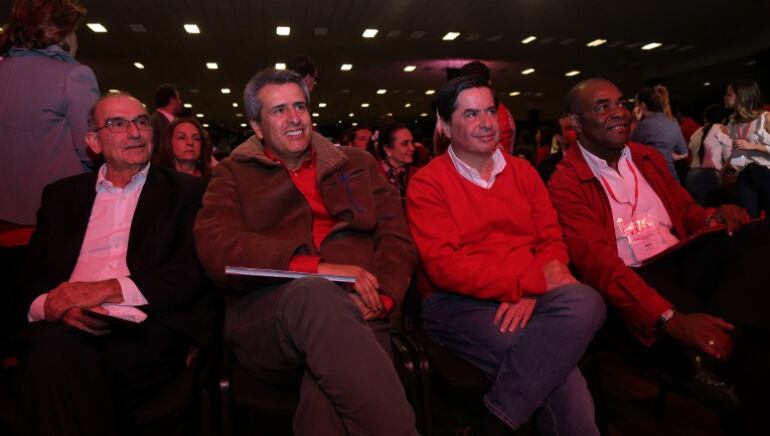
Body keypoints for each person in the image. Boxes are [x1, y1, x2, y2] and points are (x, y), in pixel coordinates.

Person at [194, 68, 418, 436]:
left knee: (334, 383)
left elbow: (397, 238)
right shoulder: (232, 173)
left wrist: (384, 297)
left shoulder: (358, 164)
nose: (295, 118)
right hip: (268, 317)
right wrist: (317, 268)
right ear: (257, 126)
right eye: (279, 110)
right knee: (318, 297)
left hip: (359, 309)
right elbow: (216, 246)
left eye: (300, 106)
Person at [549, 78, 770, 434]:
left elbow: (685, 211)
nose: (619, 112)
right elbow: (600, 266)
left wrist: (712, 216)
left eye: (621, 103)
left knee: (760, 233)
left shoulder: (646, 157)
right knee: (752, 345)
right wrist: (671, 319)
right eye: (603, 106)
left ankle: (712, 357)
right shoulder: (566, 182)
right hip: (636, 277)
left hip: (681, 258)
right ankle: (716, 359)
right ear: (576, 122)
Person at [406, 75, 606, 436]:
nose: (486, 123)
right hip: (458, 303)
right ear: (445, 127)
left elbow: (551, 240)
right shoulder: (427, 182)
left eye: (490, 111)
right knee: (557, 371)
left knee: (589, 300)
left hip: (530, 292)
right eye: (471, 114)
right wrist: (526, 284)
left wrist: (529, 290)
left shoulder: (523, 172)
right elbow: (445, 267)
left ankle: (489, 426)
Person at [16, 92, 212, 436]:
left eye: (141, 122)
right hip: (65, 324)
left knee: (56, 363)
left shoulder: (187, 192)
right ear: (94, 141)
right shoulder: (62, 196)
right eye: (118, 124)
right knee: (54, 352)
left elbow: (191, 271)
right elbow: (32, 273)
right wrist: (55, 306)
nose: (134, 133)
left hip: (147, 323)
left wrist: (106, 290)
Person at [0, 0, 99, 228]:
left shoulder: (3, 68)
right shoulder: (74, 76)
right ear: (62, 35)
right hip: (54, 213)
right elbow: (91, 150)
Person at [721, 79, 770, 218]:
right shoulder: (734, 122)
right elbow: (741, 154)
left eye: (729, 94)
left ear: (742, 97)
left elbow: (748, 146)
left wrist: (752, 146)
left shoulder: (765, 118)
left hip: (766, 173)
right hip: (746, 176)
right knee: (749, 220)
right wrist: (730, 165)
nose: (724, 97)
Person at [630, 85, 688, 181]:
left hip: (652, 177)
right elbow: (684, 153)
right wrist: (666, 155)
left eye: (636, 104)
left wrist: (634, 122)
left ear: (643, 106)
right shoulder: (673, 123)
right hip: (671, 176)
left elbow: (629, 147)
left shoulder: (644, 125)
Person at [685, 104, 730, 206]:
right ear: (724, 120)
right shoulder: (722, 130)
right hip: (711, 178)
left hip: (691, 176)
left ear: (705, 118)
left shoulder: (696, 132)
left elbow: (690, 153)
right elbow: (729, 158)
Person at [377, 122, 416, 200]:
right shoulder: (373, 176)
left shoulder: (419, 173)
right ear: (387, 149)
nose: (412, 148)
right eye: (405, 144)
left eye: (412, 142)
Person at [150, 84, 182, 155]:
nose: (180, 102)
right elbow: (152, 152)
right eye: (179, 99)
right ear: (172, 101)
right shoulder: (154, 122)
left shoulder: (174, 122)